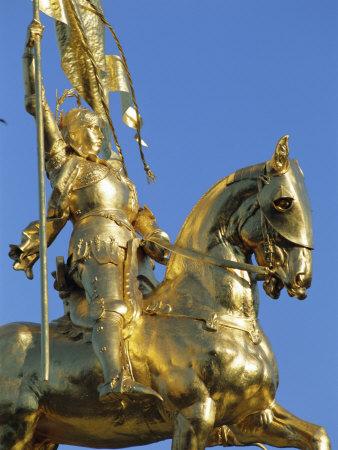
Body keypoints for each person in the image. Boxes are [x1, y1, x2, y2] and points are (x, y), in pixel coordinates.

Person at [9, 21, 170, 402]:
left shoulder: (117, 173)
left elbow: (141, 214)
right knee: (110, 307)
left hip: (134, 251)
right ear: (70, 136)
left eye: (99, 127)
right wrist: (31, 54)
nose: (97, 131)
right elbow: (38, 105)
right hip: (95, 245)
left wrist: (157, 236)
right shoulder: (65, 165)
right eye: (88, 126)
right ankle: (115, 380)